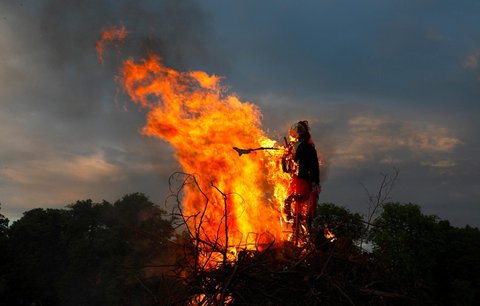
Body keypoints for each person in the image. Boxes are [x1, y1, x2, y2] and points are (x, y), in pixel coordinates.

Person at [282, 120, 321, 234]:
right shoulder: (296, 147)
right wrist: (285, 156)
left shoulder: (308, 148)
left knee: (301, 204)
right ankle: (296, 223)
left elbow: (314, 166)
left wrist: (314, 182)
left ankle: (303, 228)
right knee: (295, 204)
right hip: (297, 179)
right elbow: (287, 168)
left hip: (304, 180)